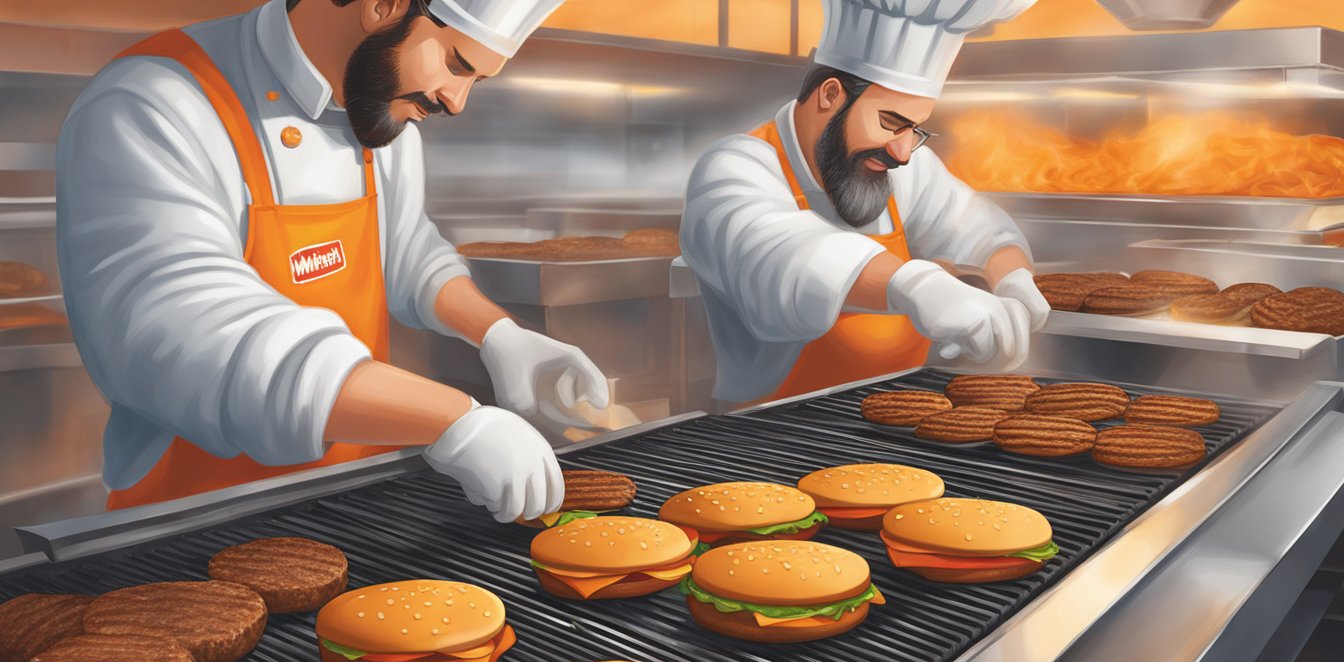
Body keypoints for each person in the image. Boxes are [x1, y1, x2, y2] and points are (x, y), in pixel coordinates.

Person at [56, 0, 603, 523]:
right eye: (457, 63)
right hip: (190, 520)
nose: (457, 101)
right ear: (383, 6)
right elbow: (194, 332)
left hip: (353, 498)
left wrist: (500, 334)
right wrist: (452, 417)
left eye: (475, 81)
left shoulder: (381, 109)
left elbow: (407, 252)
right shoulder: (155, 103)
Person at [680, 0, 1051, 406]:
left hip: (895, 412)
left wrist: (1012, 276)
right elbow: (777, 254)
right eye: (891, 122)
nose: (903, 152)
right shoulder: (735, 166)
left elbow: (972, 224)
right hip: (768, 429)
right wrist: (914, 285)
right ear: (831, 95)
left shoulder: (898, 165)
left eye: (915, 129)